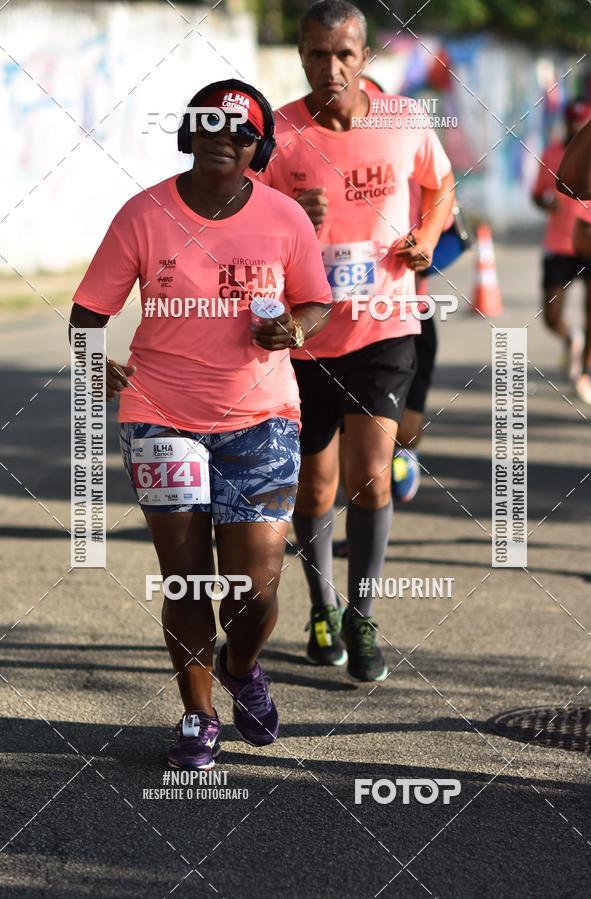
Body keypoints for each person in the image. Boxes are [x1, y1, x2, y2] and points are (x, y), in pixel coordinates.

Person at [69, 79, 332, 770]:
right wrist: (92, 363)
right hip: (161, 415)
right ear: (189, 132)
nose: (225, 136)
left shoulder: (283, 217)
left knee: (255, 591)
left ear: (258, 147)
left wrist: (294, 327)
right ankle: (198, 713)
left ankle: (241, 667)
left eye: (241, 130)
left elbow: (316, 301)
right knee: (184, 577)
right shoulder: (144, 213)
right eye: (209, 123)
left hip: (262, 419)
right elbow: (87, 315)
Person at [255, 0, 455, 681]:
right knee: (315, 490)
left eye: (343, 53)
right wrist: (285, 214)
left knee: (371, 474)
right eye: (316, 54)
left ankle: (363, 616)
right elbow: (239, 223)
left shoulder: (405, 119)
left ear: (365, 56)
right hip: (307, 337)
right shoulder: (279, 135)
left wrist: (426, 237)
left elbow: (442, 183)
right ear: (302, 56)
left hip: (386, 324)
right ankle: (323, 605)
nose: (330, 67)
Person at [531, 99, 591, 404]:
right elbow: (541, 193)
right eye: (574, 121)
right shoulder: (553, 153)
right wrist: (547, 204)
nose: (577, 126)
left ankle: (583, 373)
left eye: (582, 120)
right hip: (560, 243)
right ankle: (571, 339)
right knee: (551, 315)